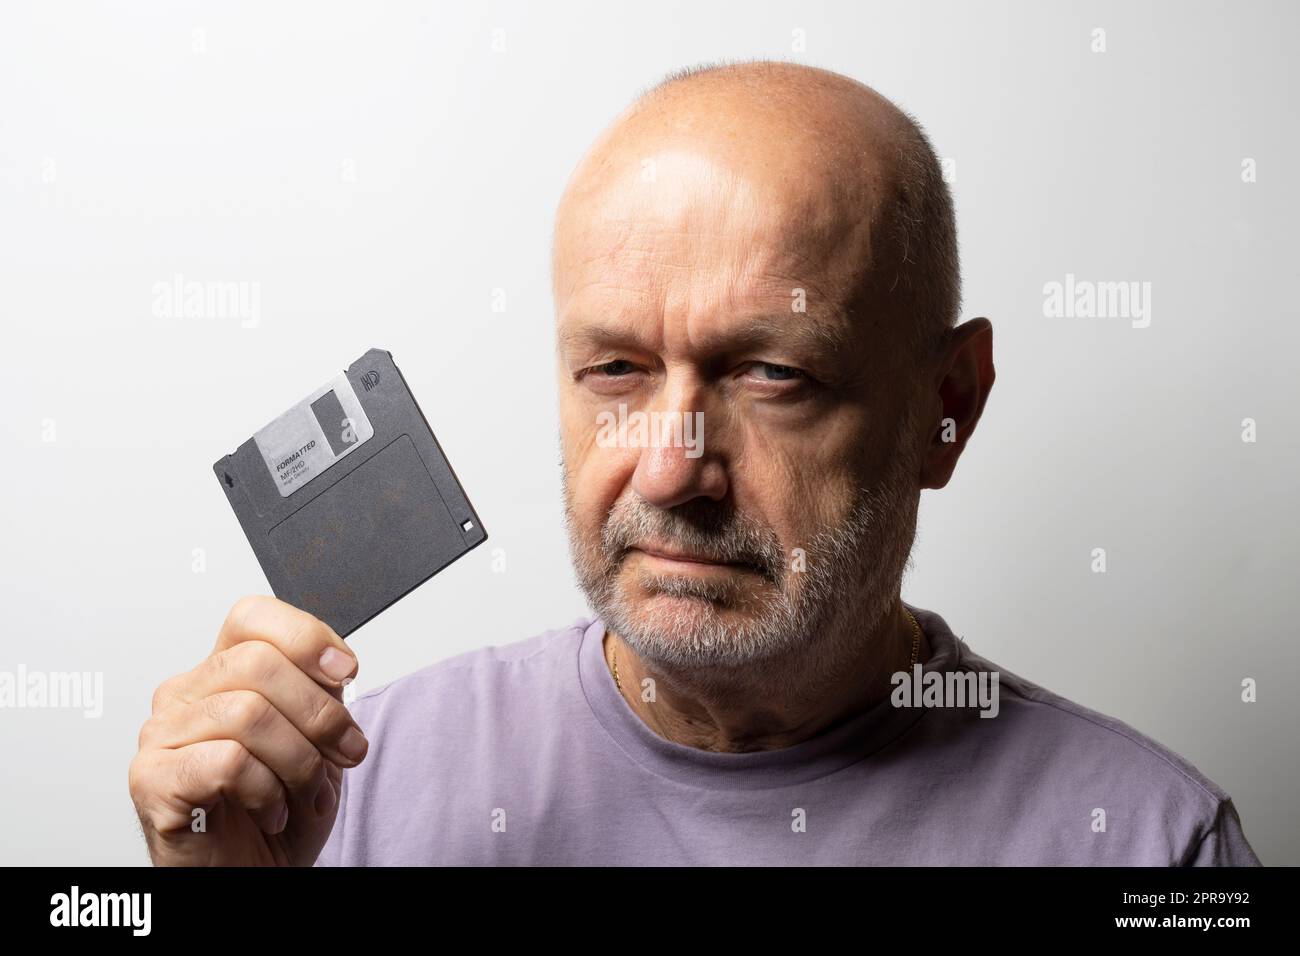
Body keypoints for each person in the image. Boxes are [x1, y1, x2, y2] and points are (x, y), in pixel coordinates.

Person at [129, 60, 1260, 866]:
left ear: (945, 409)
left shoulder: (1156, 846)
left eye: (772, 375)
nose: (671, 473)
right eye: (616, 369)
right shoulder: (348, 789)